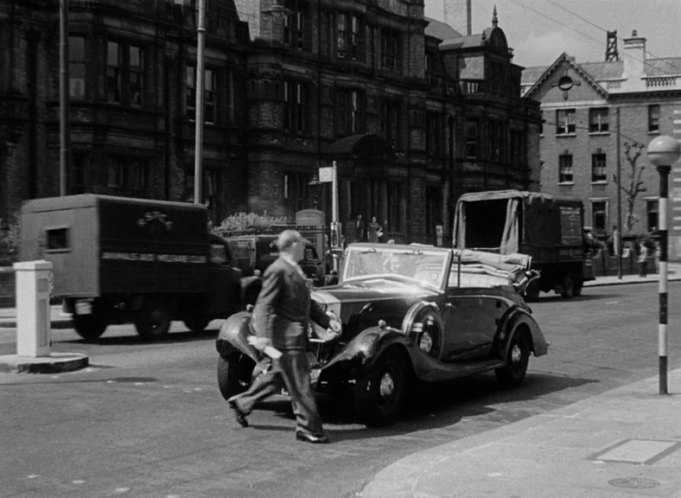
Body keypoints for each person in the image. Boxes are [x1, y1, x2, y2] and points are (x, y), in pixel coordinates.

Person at [227, 230, 342, 444]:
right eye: (301, 245)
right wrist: (262, 337)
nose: (304, 249)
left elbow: (309, 304)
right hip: (285, 338)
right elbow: (263, 306)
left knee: (279, 377)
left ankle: (243, 402)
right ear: (291, 246)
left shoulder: (295, 271)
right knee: (300, 383)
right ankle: (308, 428)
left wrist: (327, 321)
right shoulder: (278, 270)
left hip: (295, 336)